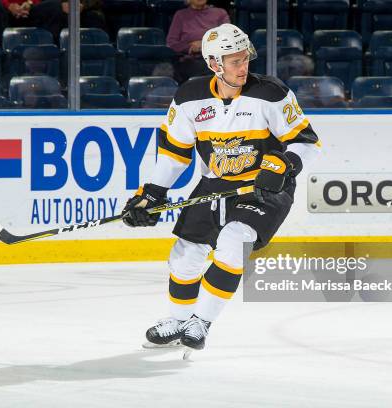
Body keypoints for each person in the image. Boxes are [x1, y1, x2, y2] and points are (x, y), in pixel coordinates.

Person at [122, 24, 321, 351]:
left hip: (265, 189)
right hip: (215, 185)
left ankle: (201, 322)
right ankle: (177, 320)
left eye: (245, 58)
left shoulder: (270, 93)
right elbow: (174, 153)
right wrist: (152, 194)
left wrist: (283, 165)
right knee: (185, 255)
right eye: (234, 61)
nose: (243, 67)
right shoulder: (189, 97)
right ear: (215, 64)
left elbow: (306, 143)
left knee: (233, 241)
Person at [166, 0, 230, 84]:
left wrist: (203, 44)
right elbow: (171, 43)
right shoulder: (180, 15)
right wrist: (189, 48)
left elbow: (228, 38)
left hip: (216, 58)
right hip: (191, 60)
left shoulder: (220, 13)